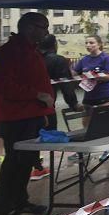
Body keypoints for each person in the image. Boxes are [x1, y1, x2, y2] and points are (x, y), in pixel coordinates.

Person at [0, 12, 52, 215]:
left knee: (25, 162)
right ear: (29, 28)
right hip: (15, 117)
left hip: (32, 115)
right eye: (43, 26)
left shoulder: (31, 51)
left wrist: (42, 110)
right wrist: (36, 95)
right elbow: (3, 86)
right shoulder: (8, 53)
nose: (46, 31)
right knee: (13, 163)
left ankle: (20, 202)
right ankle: (3, 213)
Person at [32, 34, 81, 181]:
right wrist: (74, 104)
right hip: (45, 106)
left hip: (24, 106)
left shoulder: (30, 57)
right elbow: (66, 85)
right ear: (54, 45)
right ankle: (40, 168)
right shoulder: (57, 60)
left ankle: (36, 167)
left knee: (29, 139)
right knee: (49, 137)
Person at [72, 35, 109, 111]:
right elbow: (74, 73)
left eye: (91, 43)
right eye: (86, 43)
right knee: (86, 122)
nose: (88, 45)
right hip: (89, 95)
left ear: (99, 44)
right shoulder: (84, 59)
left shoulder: (106, 58)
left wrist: (94, 76)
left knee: (103, 120)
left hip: (104, 94)